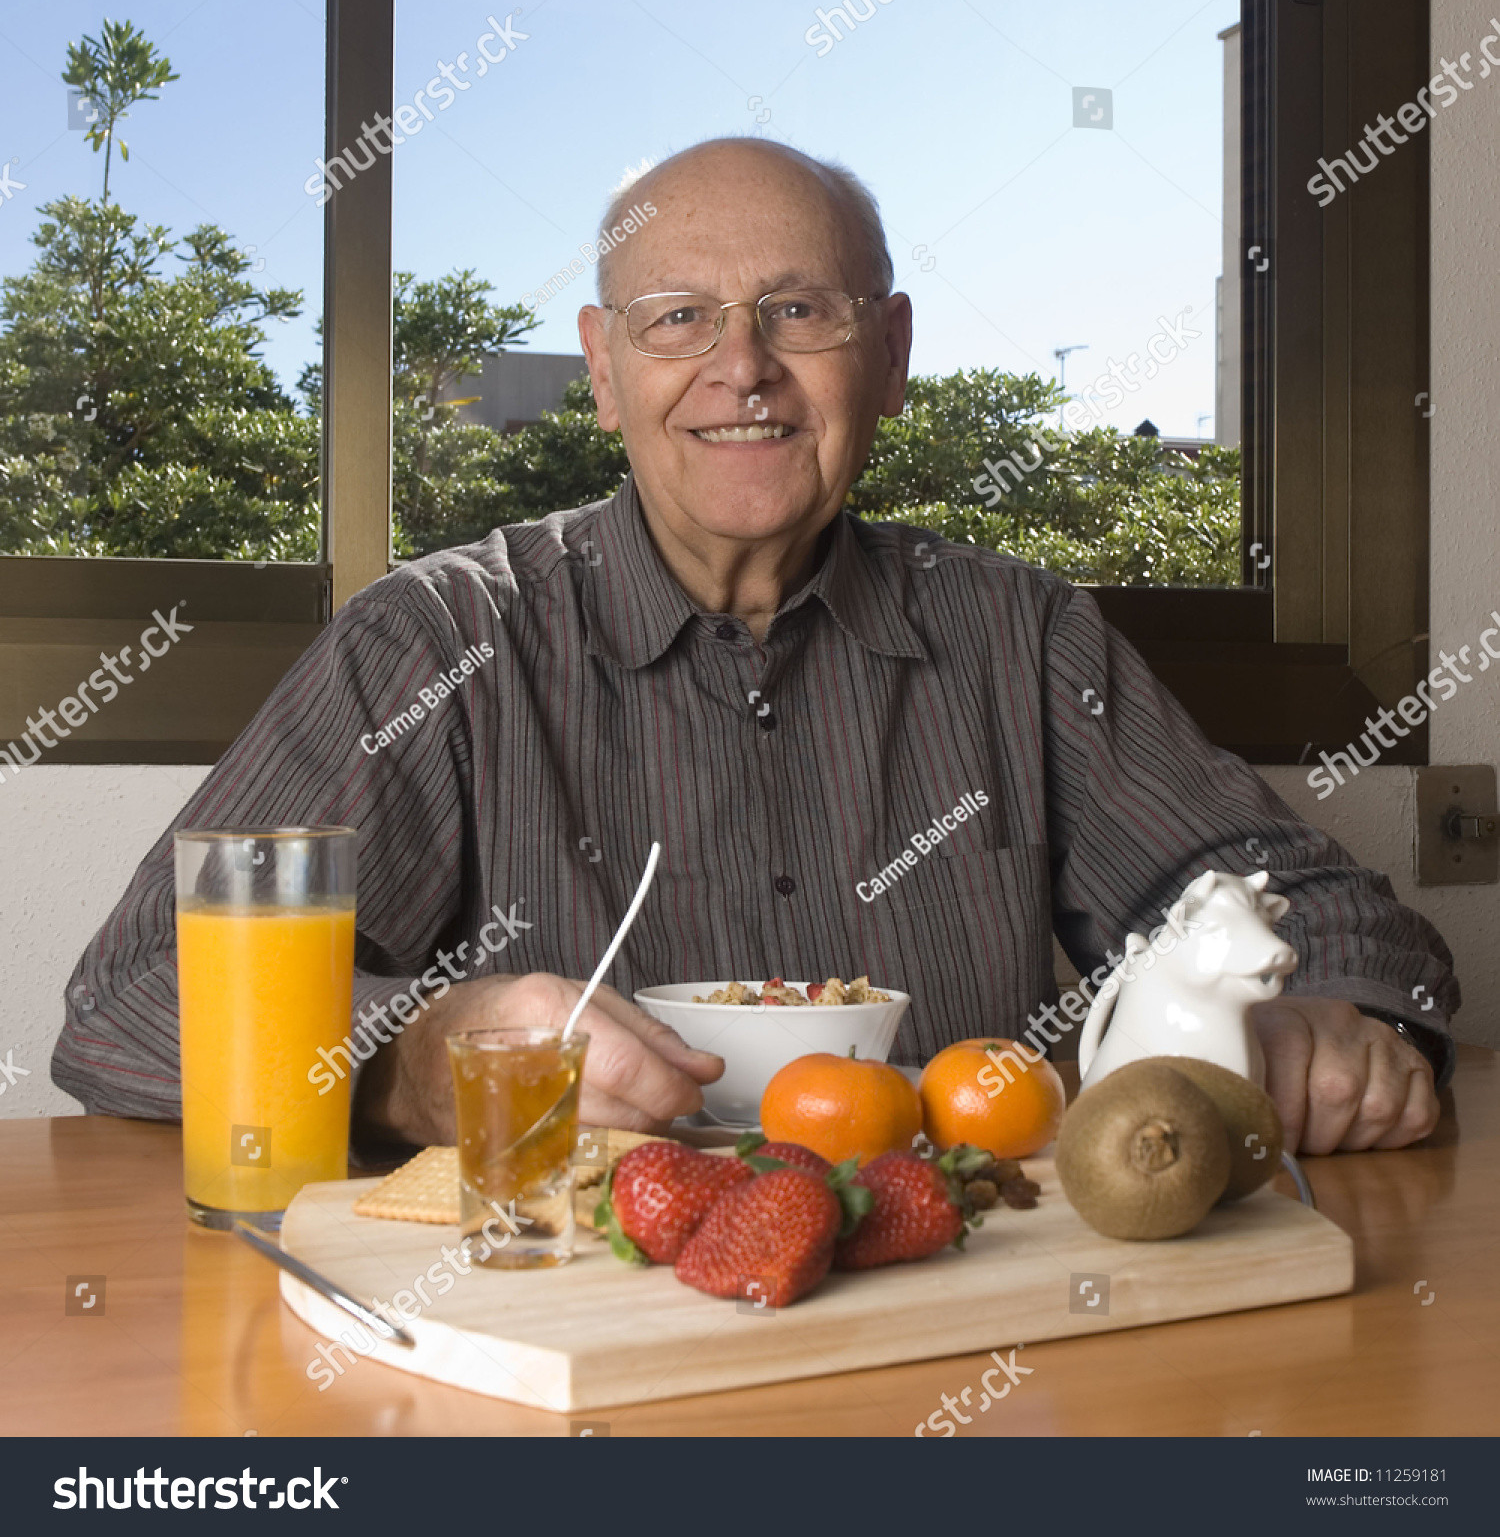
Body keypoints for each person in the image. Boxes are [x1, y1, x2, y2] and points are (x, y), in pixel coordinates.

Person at [53, 138, 1456, 1156]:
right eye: (679, 321)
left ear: (889, 355)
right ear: (603, 371)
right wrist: (421, 1056)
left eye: (800, 310)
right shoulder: (440, 640)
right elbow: (128, 1004)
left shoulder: (1020, 635)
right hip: (568, 1360)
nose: (742, 367)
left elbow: (1320, 908)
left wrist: (1318, 1016)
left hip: (962, 1330)